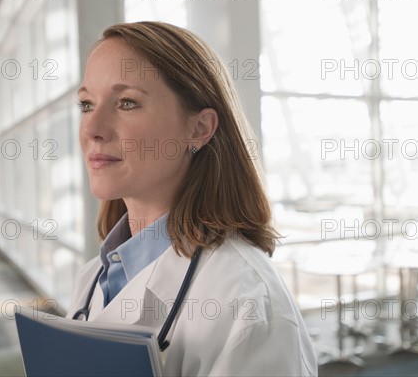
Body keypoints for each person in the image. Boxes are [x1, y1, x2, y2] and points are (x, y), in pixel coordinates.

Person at [67, 21, 317, 376]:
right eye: (87, 104)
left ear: (199, 129)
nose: (92, 129)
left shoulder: (246, 301)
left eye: (127, 102)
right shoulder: (93, 277)